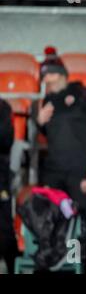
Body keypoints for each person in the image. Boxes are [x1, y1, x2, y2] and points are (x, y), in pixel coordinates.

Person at [35, 46, 86, 271]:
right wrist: (39, 122)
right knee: (52, 220)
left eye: (50, 74)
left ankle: (82, 266)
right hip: (54, 170)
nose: (46, 79)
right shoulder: (45, 102)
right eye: (44, 76)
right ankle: (56, 264)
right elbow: (44, 137)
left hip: (80, 169)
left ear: (62, 73)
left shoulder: (85, 95)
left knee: (82, 220)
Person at [0, 98, 19, 273]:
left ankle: (13, 267)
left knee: (4, 227)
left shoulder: (3, 107)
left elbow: (6, 139)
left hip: (0, 177)